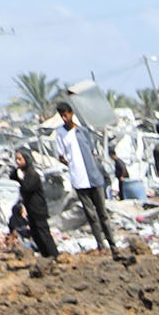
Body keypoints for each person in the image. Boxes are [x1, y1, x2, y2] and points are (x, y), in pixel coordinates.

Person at [53, 101, 116, 253]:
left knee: (102, 213)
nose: (64, 118)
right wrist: (72, 164)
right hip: (79, 179)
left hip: (93, 176)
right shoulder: (60, 134)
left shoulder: (82, 131)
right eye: (62, 116)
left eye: (66, 115)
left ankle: (112, 244)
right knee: (91, 214)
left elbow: (91, 151)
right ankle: (101, 244)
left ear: (71, 114)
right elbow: (61, 156)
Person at [13, 148, 57, 258]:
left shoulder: (33, 174)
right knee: (35, 234)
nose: (17, 161)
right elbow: (12, 178)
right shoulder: (24, 173)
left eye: (20, 159)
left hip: (38, 209)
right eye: (16, 159)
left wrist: (20, 177)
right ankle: (45, 255)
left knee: (43, 233)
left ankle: (54, 255)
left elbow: (27, 187)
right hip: (30, 209)